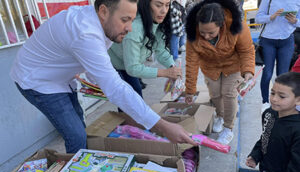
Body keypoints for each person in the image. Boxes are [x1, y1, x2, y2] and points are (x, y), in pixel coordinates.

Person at [10, 0, 196, 153]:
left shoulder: (101, 23)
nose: (130, 28)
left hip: (60, 77)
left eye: (132, 19)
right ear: (104, 11)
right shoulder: (86, 33)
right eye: (125, 19)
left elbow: (99, 70)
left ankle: (80, 159)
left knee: (78, 121)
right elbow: (115, 87)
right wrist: (162, 126)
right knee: (76, 136)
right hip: (37, 81)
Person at [184, 0, 255, 145]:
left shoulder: (237, 26)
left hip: (233, 66)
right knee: (215, 94)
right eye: (202, 32)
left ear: (222, 25)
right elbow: (191, 62)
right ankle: (221, 115)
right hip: (210, 67)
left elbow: (246, 51)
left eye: (211, 33)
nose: (206, 36)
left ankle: (228, 128)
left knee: (229, 94)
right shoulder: (192, 34)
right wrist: (190, 90)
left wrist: (248, 71)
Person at [108, 0, 182, 98]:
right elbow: (133, 68)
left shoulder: (157, 22)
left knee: (135, 94)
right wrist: (164, 73)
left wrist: (172, 67)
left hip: (129, 65)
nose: (164, 10)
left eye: (167, 5)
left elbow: (160, 50)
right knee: (130, 98)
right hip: (114, 65)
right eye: (158, 5)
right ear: (146, 5)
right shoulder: (135, 28)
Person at [246, 72, 300, 172]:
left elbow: (297, 166)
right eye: (272, 93)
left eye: (282, 96)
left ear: (298, 99)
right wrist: (256, 155)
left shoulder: (297, 130)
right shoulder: (269, 114)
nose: (274, 99)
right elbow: (265, 137)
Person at [255, 0, 300, 112]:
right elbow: (258, 18)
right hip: (268, 40)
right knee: (267, 73)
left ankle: (281, 102)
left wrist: (295, 21)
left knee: (283, 75)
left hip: (287, 40)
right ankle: (265, 102)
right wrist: (272, 16)